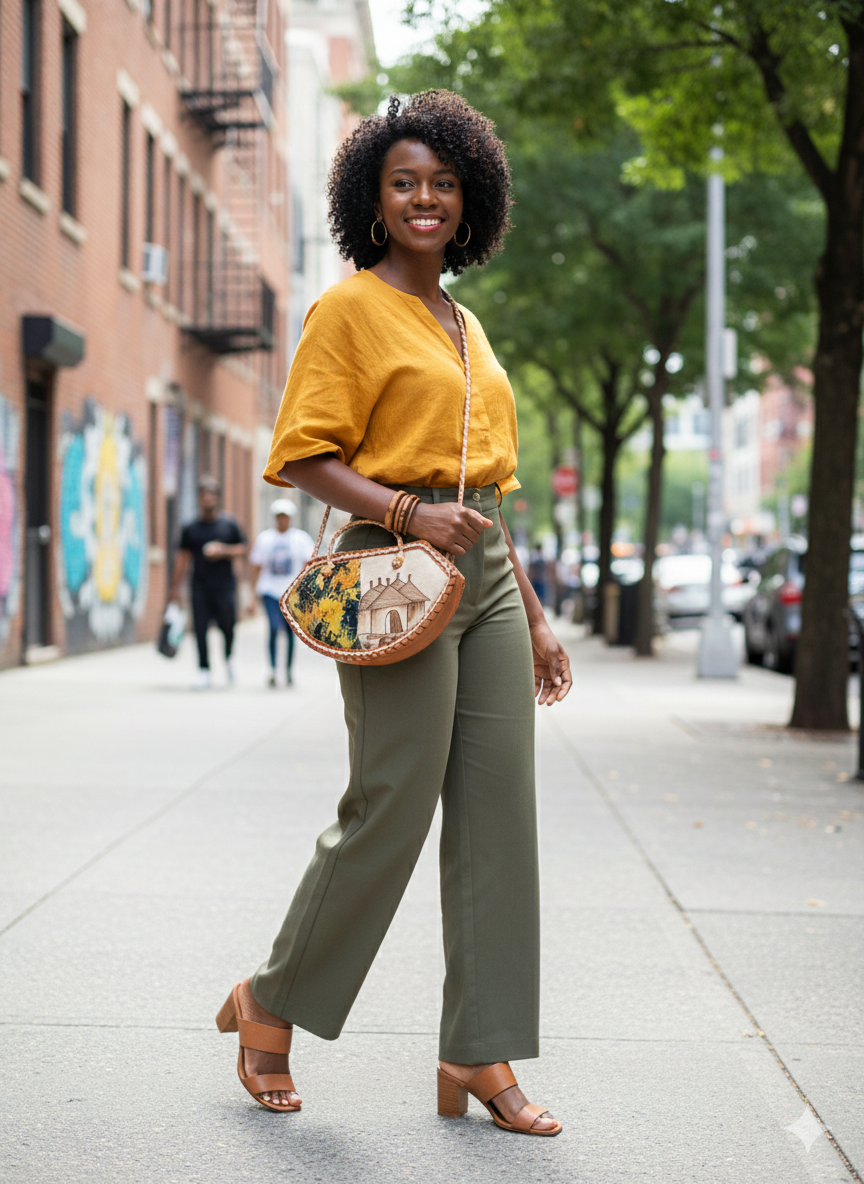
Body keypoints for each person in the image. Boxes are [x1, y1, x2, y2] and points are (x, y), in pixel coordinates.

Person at [216, 91, 572, 1137]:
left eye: (443, 183)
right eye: (404, 182)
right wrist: (407, 507)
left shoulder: (467, 323)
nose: (425, 197)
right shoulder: (349, 309)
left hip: (488, 575)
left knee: (501, 814)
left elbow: (488, 488)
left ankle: (479, 1044)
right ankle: (271, 1002)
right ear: (374, 199)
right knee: (393, 801)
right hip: (391, 571)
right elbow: (305, 455)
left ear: (471, 201)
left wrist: (540, 617)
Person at [167, 476, 248, 689]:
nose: (208, 499)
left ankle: (229, 659)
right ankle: (204, 670)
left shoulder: (229, 524)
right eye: (204, 495)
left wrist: (223, 551)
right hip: (199, 586)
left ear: (217, 498)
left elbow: (244, 548)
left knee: (228, 627)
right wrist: (174, 589)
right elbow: (182, 558)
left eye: (212, 495)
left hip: (225, 585)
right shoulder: (191, 528)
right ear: (199, 499)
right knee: (200, 629)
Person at [248, 499, 314, 686]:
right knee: (273, 628)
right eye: (279, 517)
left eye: (285, 517)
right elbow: (256, 566)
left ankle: (288, 670)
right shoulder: (265, 539)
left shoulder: (300, 539)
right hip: (270, 590)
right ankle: (272, 669)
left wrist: (306, 593)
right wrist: (253, 595)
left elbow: (308, 565)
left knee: (289, 631)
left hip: (292, 592)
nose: (282, 520)